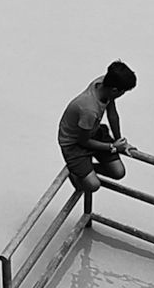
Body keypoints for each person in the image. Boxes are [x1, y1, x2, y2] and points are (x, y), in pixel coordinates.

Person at [57, 60, 137, 193]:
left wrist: (120, 141)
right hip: (74, 142)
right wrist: (112, 147)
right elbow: (83, 141)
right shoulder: (89, 109)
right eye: (123, 91)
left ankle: (86, 171)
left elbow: (112, 114)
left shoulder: (105, 84)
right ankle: (75, 173)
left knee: (118, 172)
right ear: (115, 90)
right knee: (93, 185)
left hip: (92, 130)